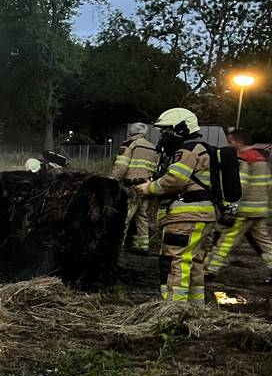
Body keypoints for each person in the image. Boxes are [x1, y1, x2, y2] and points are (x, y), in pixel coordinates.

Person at [136, 108, 215, 305]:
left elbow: (175, 180)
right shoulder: (201, 147)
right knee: (194, 263)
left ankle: (173, 311)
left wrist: (149, 188)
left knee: (174, 263)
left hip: (185, 216)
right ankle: (197, 310)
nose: (163, 136)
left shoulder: (186, 150)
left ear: (181, 129)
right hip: (202, 215)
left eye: (166, 131)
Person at [204, 129, 272, 282]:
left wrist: (230, 207)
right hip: (260, 209)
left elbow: (238, 186)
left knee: (226, 239)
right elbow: (269, 185)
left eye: (230, 141)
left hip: (244, 211)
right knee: (265, 243)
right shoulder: (261, 158)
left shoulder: (243, 158)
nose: (229, 145)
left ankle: (210, 269)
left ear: (239, 141)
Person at [112, 122, 158, 253]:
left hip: (131, 187)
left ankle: (118, 247)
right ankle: (142, 246)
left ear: (131, 133)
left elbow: (121, 166)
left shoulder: (129, 145)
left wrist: (111, 180)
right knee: (142, 216)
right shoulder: (152, 147)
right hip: (146, 187)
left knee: (125, 216)